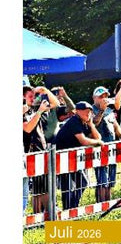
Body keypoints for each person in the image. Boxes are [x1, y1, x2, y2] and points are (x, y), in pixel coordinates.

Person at [53, 102, 101, 210]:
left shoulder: (84, 122)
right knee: (67, 187)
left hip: (72, 158)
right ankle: (68, 210)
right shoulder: (74, 121)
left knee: (83, 182)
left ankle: (72, 208)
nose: (88, 114)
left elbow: (98, 137)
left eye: (90, 112)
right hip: (61, 157)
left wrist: (91, 125)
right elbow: (83, 141)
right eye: (86, 111)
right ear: (78, 111)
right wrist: (97, 143)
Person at [91, 85, 121, 203]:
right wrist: (101, 110)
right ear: (94, 98)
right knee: (102, 179)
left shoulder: (110, 110)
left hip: (111, 147)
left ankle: (108, 203)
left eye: (106, 96)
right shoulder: (91, 110)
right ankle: (100, 204)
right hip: (99, 148)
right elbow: (94, 123)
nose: (104, 98)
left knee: (111, 179)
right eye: (101, 96)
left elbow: (116, 126)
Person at [23, 86, 57, 214]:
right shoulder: (22, 111)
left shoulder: (34, 107)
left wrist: (45, 91)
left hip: (40, 149)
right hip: (29, 152)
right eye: (30, 96)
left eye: (34, 95)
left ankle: (41, 215)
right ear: (23, 97)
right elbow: (27, 128)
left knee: (41, 185)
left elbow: (55, 103)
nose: (34, 98)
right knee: (39, 186)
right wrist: (39, 112)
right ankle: (41, 215)